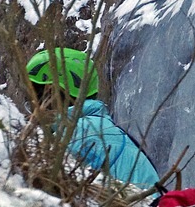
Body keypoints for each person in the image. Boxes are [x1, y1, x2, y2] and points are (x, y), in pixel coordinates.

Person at [26, 47, 160, 189]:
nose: (35, 108)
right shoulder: (96, 126)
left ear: (54, 94)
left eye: (37, 96)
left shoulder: (81, 132)